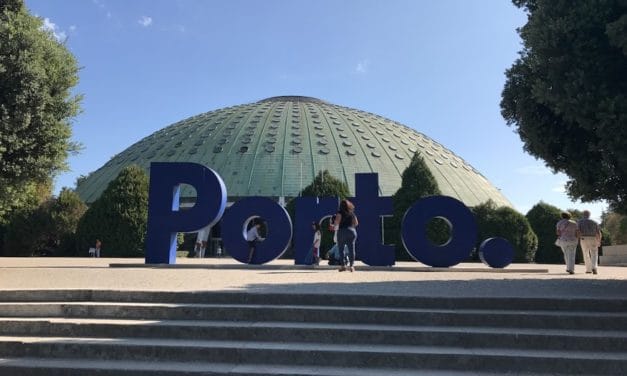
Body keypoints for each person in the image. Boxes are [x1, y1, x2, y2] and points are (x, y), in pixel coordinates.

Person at [334, 199, 358, 272]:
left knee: (341, 250)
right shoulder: (352, 213)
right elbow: (356, 223)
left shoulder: (339, 213)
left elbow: (336, 223)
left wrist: (334, 224)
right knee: (352, 250)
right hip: (352, 231)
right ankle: (351, 266)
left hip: (342, 231)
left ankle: (343, 266)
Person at [577, 210, 602, 274]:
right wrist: (599, 240)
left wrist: (579, 237)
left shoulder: (579, 222)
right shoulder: (594, 222)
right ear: (589, 215)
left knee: (585, 254)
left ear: (583, 214)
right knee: (594, 253)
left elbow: (578, 231)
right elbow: (598, 232)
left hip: (583, 238)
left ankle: (588, 269)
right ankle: (594, 267)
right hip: (593, 238)